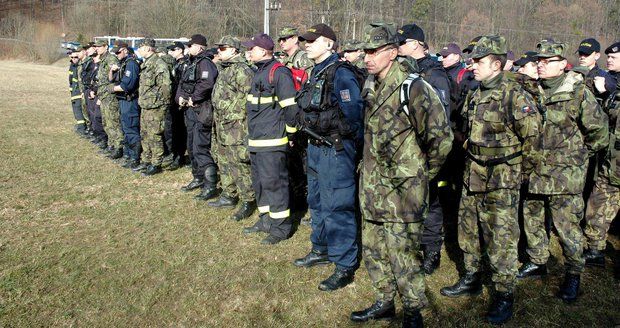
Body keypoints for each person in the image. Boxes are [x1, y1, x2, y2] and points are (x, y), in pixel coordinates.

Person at [350, 22, 453, 327]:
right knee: (374, 250)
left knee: (404, 254)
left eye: (373, 51)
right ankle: (384, 301)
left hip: (403, 193)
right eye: (364, 51)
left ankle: (413, 310)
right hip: (372, 189)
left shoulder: (414, 87)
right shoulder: (370, 85)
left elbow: (441, 139)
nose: (367, 57)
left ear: (392, 53)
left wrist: (420, 174)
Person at [439, 35, 541, 325]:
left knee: (501, 237)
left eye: (478, 62)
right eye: (472, 61)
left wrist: (519, 174)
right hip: (474, 174)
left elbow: (533, 138)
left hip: (502, 178)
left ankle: (504, 293)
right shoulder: (477, 92)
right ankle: (471, 276)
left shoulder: (514, 94)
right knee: (468, 229)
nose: (472, 65)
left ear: (496, 64)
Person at [517, 40, 609, 304]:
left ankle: (573, 273)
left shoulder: (577, 92)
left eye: (548, 61)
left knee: (567, 227)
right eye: (539, 61)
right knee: (532, 218)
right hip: (533, 171)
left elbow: (599, 132)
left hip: (564, 177)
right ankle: (537, 261)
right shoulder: (532, 91)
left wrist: (579, 156)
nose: (542, 65)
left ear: (562, 63)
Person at [292, 24, 364, 291]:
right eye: (305, 41)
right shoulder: (316, 72)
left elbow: (354, 116)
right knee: (317, 200)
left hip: (334, 149)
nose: (306, 44)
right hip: (314, 148)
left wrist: (338, 137)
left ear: (329, 44)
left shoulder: (341, 73)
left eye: (312, 41)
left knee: (338, 205)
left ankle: (344, 263)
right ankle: (320, 248)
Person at [396, 23, 453, 274]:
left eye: (402, 43)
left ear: (416, 44)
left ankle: (431, 252)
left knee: (430, 203)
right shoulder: (402, 71)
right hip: (405, 151)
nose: (398, 48)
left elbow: (440, 121)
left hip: (427, 152)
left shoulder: (434, 75)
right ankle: (409, 246)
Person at [241, 33, 297, 245]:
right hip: (256, 140)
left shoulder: (279, 73)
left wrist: (291, 134)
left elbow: (290, 108)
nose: (249, 52)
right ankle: (266, 221)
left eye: (252, 48)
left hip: (272, 142)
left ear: (263, 51)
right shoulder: (259, 72)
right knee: (260, 184)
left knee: (275, 184)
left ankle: (281, 228)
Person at [207, 36, 257, 222]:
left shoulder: (242, 70)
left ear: (234, 50)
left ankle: (248, 199)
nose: (219, 51)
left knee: (239, 163)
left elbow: (247, 99)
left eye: (223, 48)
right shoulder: (225, 69)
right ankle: (229, 194)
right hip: (221, 124)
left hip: (236, 126)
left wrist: (226, 109)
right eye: (218, 48)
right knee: (224, 160)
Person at [583, 41, 620, 267]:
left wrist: (610, 93)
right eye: (608, 57)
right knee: (597, 204)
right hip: (611, 161)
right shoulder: (611, 82)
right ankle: (595, 250)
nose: (609, 60)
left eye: (614, 57)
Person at [176, 34, 219, 198]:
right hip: (190, 111)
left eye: (190, 46)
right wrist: (180, 97)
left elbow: (206, 84)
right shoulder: (190, 63)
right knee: (191, 146)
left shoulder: (205, 63)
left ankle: (210, 185)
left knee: (200, 147)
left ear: (200, 47)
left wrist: (192, 98)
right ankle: (198, 177)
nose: (187, 48)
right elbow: (182, 83)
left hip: (202, 110)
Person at [130, 38, 173, 176]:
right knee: (145, 134)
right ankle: (146, 160)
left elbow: (166, 87)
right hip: (146, 105)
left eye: (140, 48)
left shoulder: (159, 64)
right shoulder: (146, 64)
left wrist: (161, 105)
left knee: (155, 135)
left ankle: (156, 163)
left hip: (156, 107)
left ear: (148, 48)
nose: (138, 51)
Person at [110, 42, 141, 169]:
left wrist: (111, 89)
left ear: (125, 50)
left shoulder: (131, 64)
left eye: (118, 52)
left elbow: (127, 85)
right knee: (125, 128)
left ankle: (135, 157)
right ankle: (128, 154)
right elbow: (113, 80)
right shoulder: (123, 64)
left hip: (130, 101)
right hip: (123, 100)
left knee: (131, 128)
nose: (116, 55)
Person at [94, 40, 124, 159]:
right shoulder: (103, 59)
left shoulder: (111, 59)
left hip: (110, 96)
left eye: (99, 46)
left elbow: (114, 78)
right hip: (103, 95)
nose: (97, 49)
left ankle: (118, 147)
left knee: (113, 122)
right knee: (106, 122)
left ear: (106, 47)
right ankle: (111, 145)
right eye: (96, 47)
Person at [164, 41, 189, 170]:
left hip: (180, 102)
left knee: (180, 130)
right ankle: (174, 154)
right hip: (174, 101)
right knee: (172, 129)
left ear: (180, 50)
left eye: (173, 50)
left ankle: (179, 156)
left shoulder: (185, 64)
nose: (170, 53)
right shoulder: (176, 64)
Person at [68, 49, 88, 135]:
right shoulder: (72, 65)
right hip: (74, 91)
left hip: (78, 92)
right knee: (76, 110)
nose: (73, 59)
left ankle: (82, 128)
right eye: (72, 57)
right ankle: (80, 127)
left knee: (78, 110)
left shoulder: (80, 66)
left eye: (75, 57)